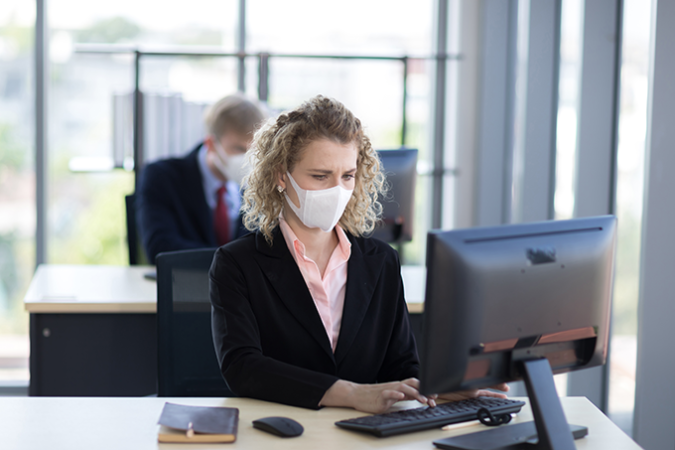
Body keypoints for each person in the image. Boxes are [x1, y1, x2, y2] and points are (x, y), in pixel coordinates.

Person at [209, 95, 507, 413]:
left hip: (365, 434)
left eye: (347, 176)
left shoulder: (381, 262)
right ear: (282, 176)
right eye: (320, 176)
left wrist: (437, 389)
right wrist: (352, 394)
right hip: (284, 434)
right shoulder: (237, 263)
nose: (337, 190)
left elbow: (401, 366)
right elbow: (243, 368)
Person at [136, 94, 267, 264]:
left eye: (254, 150)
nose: (248, 159)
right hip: (185, 286)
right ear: (211, 144)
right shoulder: (162, 177)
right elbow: (160, 247)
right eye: (239, 149)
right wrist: (235, 262)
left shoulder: (261, 186)